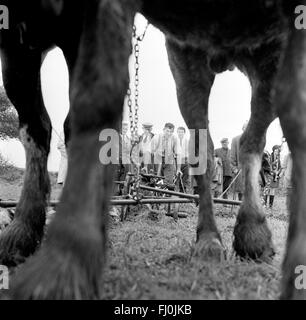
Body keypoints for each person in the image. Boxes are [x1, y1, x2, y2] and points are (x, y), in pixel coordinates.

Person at [151, 122, 177, 187]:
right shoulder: (157, 137)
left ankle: (168, 193)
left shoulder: (174, 138)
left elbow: (177, 153)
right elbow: (151, 151)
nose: (169, 133)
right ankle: (156, 192)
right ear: (163, 130)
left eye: (171, 132)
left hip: (169, 160)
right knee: (157, 178)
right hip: (158, 158)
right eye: (167, 131)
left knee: (169, 181)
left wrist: (177, 168)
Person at [230, 121, 248, 201]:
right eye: (246, 127)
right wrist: (234, 169)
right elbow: (232, 157)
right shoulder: (235, 139)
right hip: (240, 171)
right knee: (241, 190)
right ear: (243, 128)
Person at [264, 145, 282, 209]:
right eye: (276, 151)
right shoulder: (269, 157)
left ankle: (270, 206)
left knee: (272, 190)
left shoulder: (278, 159)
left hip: (275, 176)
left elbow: (280, 167)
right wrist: (274, 163)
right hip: (269, 175)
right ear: (273, 150)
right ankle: (265, 204)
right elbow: (268, 165)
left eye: (278, 151)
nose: (277, 152)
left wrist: (278, 173)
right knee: (267, 189)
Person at [176, 126, 189, 193]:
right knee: (176, 176)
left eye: (182, 132)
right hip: (176, 160)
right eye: (179, 132)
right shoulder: (175, 140)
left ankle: (182, 191)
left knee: (185, 175)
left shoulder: (187, 141)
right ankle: (173, 190)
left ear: (184, 133)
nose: (180, 133)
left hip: (185, 160)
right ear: (177, 132)